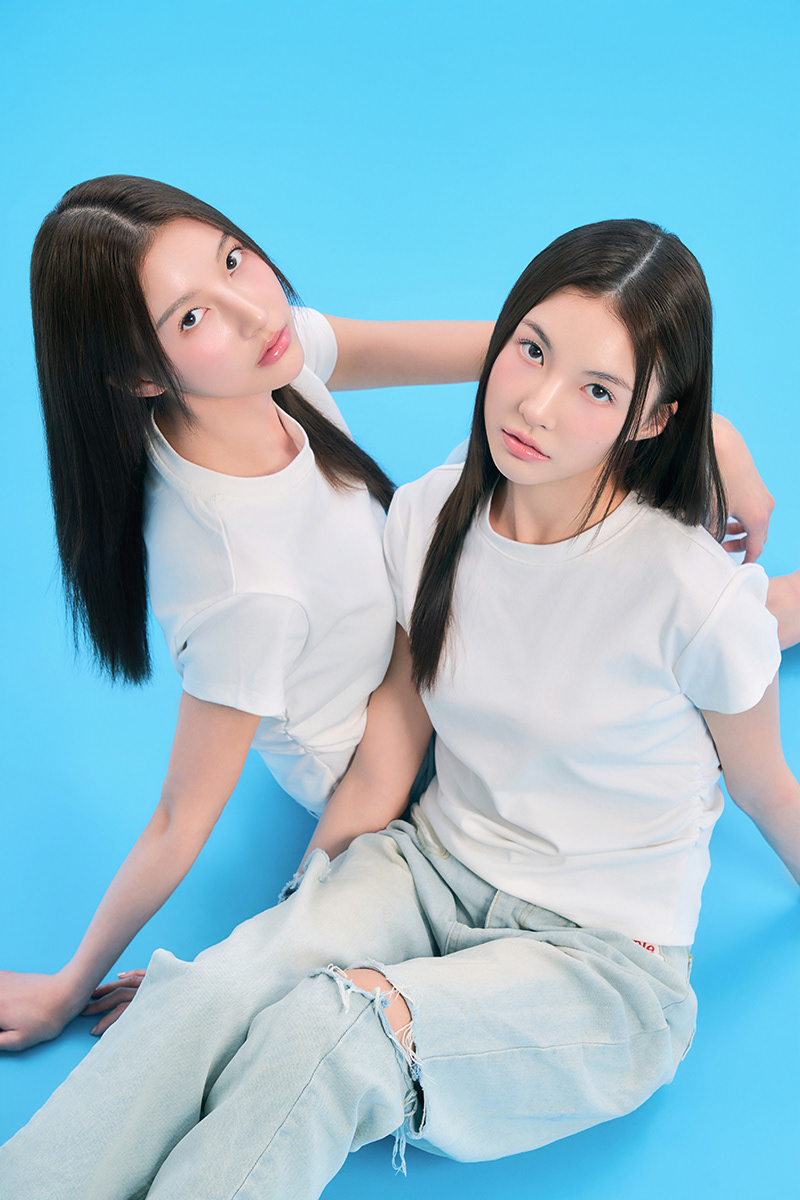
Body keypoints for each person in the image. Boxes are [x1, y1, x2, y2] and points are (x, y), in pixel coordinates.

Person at [1, 219, 796, 1199]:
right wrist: (279, 938)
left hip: (602, 957)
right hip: (428, 869)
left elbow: (764, 788)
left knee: (331, 1030)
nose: (536, 405)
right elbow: (388, 753)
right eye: (529, 350)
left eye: (596, 390)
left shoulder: (697, 597)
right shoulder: (429, 514)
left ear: (649, 420)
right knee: (211, 990)